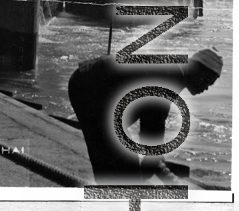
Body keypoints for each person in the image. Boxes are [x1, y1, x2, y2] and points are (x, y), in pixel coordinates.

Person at [67, 47, 223, 184]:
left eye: (211, 83)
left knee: (112, 161)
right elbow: (152, 122)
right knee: (120, 166)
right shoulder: (170, 76)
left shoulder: (174, 71)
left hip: (88, 82)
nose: (207, 87)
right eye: (208, 80)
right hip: (89, 88)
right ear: (198, 69)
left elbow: (153, 118)